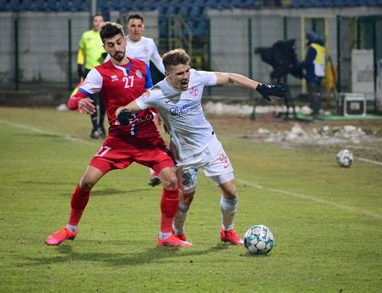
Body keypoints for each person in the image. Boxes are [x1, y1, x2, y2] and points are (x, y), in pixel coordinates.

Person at [115, 49, 286, 244]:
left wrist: (260, 86)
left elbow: (230, 77)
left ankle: (227, 231)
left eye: (187, 71)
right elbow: (128, 107)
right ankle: (178, 233)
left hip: (210, 146)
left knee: (230, 192)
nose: (186, 76)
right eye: (180, 73)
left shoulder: (197, 77)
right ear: (168, 74)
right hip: (184, 154)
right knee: (186, 198)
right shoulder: (157, 93)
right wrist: (123, 113)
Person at [45, 23, 191, 248]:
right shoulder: (99, 73)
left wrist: (156, 114)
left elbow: (151, 95)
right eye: (110, 45)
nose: (116, 48)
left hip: (147, 138)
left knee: (171, 181)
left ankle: (165, 236)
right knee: (86, 182)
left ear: (124, 40)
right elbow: (73, 100)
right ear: (105, 46)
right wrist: (80, 100)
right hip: (118, 140)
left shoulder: (142, 67)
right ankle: (70, 229)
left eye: (119, 42)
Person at [106, 13, 166, 187]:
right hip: (125, 94)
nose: (136, 29)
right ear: (127, 28)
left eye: (139, 25)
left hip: (145, 92)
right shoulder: (121, 43)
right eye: (133, 25)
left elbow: (159, 63)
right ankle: (116, 157)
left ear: (144, 27)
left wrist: (174, 77)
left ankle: (155, 171)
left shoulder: (149, 43)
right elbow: (107, 63)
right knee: (127, 131)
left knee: (152, 126)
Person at [77, 13, 107, 139]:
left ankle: (101, 125)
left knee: (104, 101)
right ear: (92, 22)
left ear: (103, 22)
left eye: (100, 20)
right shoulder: (86, 35)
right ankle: (95, 127)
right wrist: (79, 65)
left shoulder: (106, 36)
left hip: (104, 71)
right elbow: (81, 52)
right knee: (92, 101)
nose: (98, 23)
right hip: (90, 71)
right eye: (95, 20)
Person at [300, 31, 326, 120]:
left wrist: (299, 64)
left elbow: (308, 62)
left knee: (313, 93)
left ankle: (315, 113)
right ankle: (316, 111)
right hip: (319, 74)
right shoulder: (321, 47)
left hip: (312, 73)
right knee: (317, 93)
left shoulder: (312, 48)